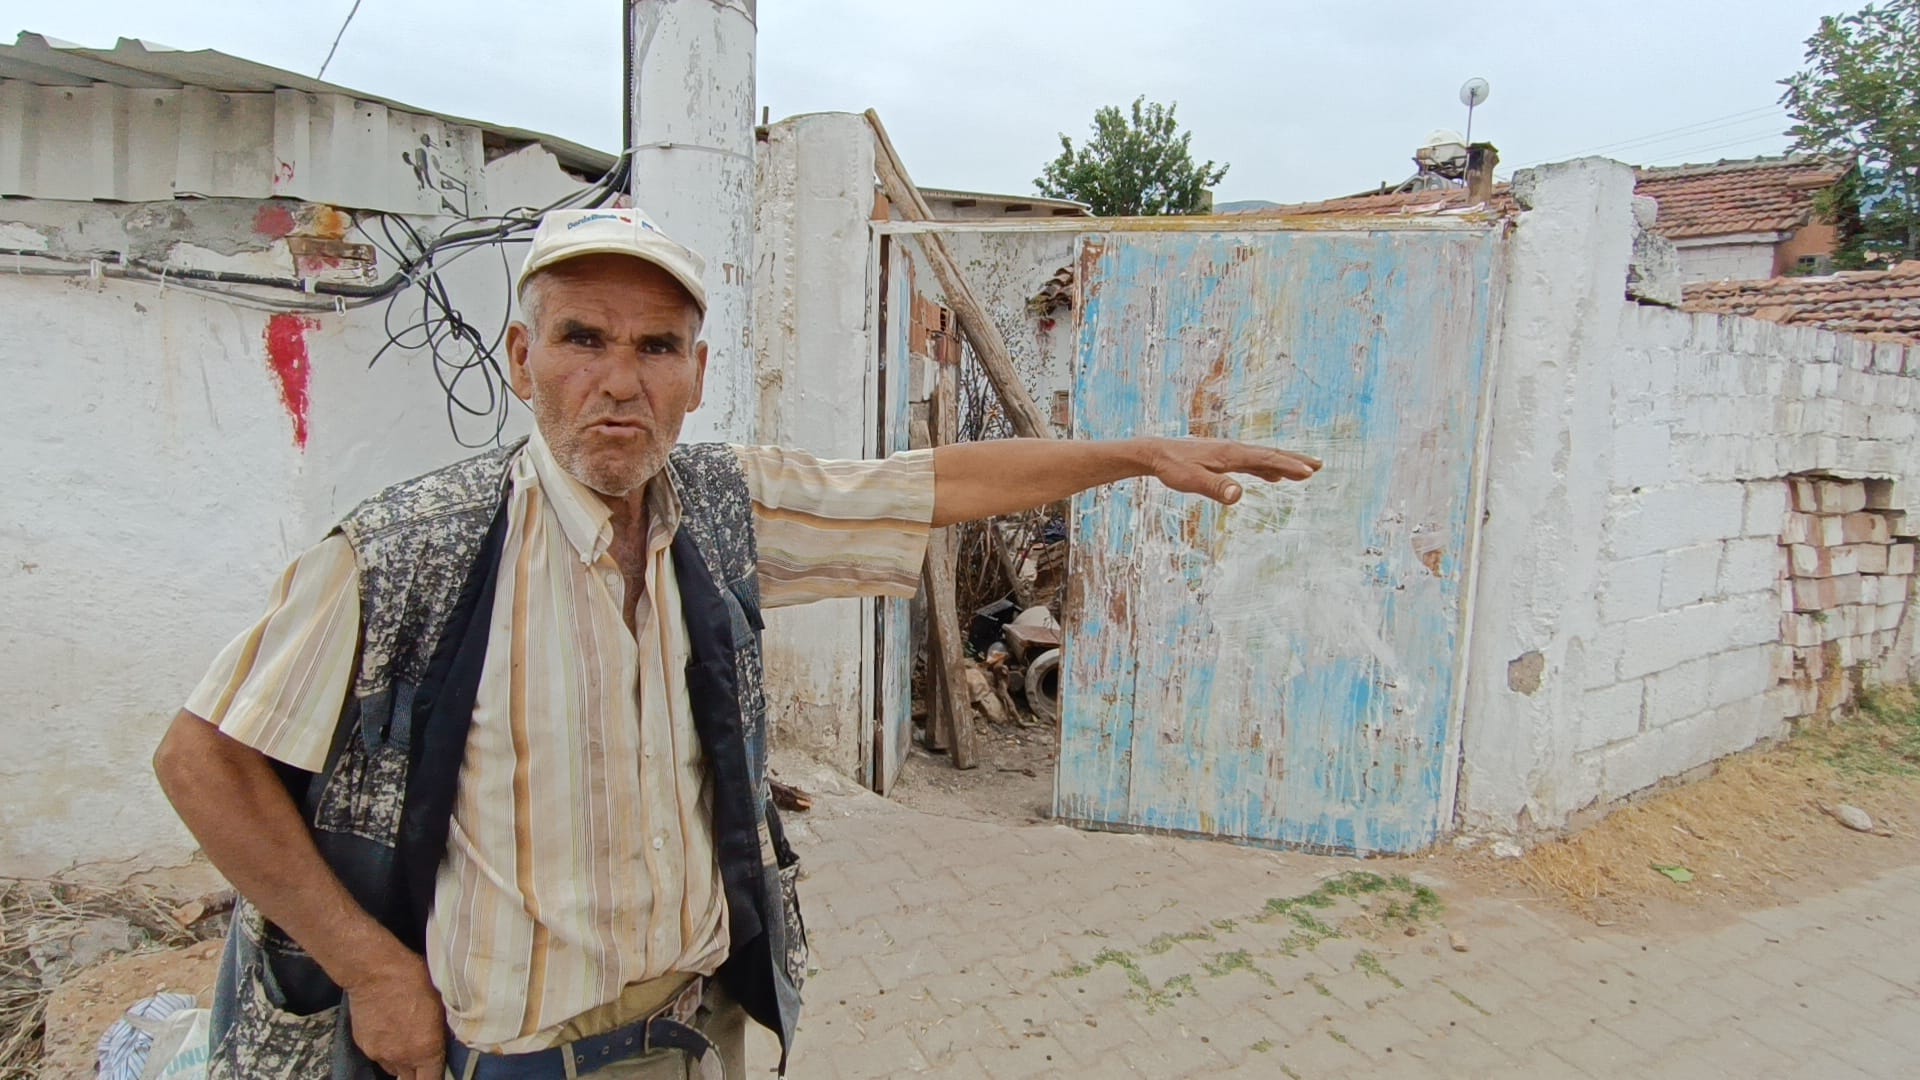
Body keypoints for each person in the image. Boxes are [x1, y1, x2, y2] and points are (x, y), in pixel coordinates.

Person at [154, 208, 1320, 1080]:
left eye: (658, 347)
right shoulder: (410, 552)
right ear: (519, 360)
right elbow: (201, 760)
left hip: (693, 1028)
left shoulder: (721, 513)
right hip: (501, 1052)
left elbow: (929, 484)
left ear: (698, 377)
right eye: (582, 340)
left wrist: (1133, 454)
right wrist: (369, 969)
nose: (620, 382)